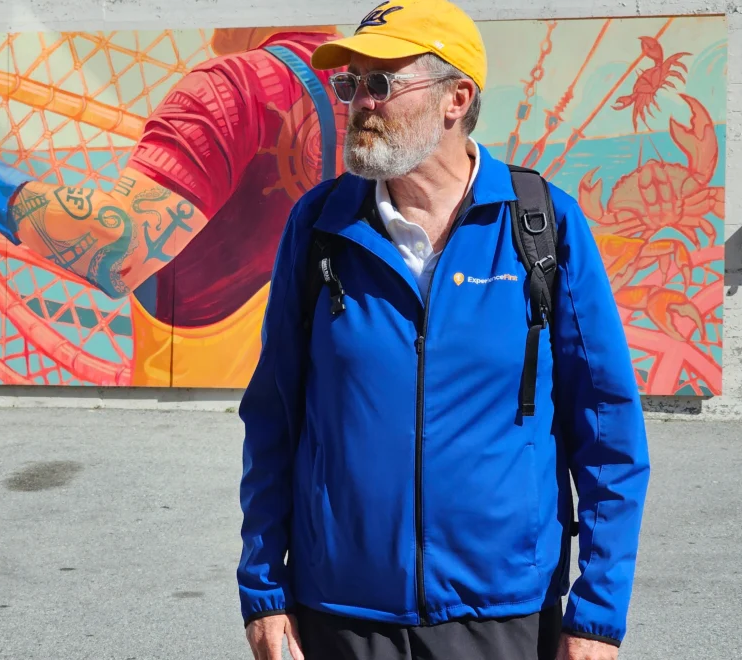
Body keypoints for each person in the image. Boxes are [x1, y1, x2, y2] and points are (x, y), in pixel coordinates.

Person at [236, 1, 651, 659]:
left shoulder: (542, 226)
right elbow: (274, 418)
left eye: (381, 82)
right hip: (342, 611)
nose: (360, 102)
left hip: (503, 611)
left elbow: (607, 432)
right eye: (351, 84)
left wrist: (596, 614)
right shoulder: (319, 227)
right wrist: (263, 589)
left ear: (456, 98)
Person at [0, 26, 348, 388]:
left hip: (200, 418)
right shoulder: (367, 85)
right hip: (327, 403)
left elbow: (118, 249)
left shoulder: (230, 90)